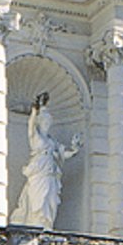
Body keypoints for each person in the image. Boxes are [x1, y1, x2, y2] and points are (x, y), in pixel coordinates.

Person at [16, 92, 78, 225]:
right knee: (38, 201)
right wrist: (34, 111)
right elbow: (30, 127)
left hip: (50, 175)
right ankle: (36, 225)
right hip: (38, 174)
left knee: (50, 202)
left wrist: (74, 150)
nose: (47, 124)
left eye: (49, 122)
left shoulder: (52, 141)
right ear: (40, 121)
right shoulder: (36, 137)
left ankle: (46, 226)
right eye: (44, 121)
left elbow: (63, 154)